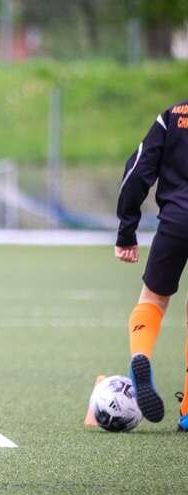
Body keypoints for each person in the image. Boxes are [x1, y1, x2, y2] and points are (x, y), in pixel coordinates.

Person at [116, 100, 188, 431]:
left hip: (175, 222)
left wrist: (126, 231)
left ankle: (140, 357)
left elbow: (137, 172)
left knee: (153, 300)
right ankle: (187, 410)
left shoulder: (173, 116)